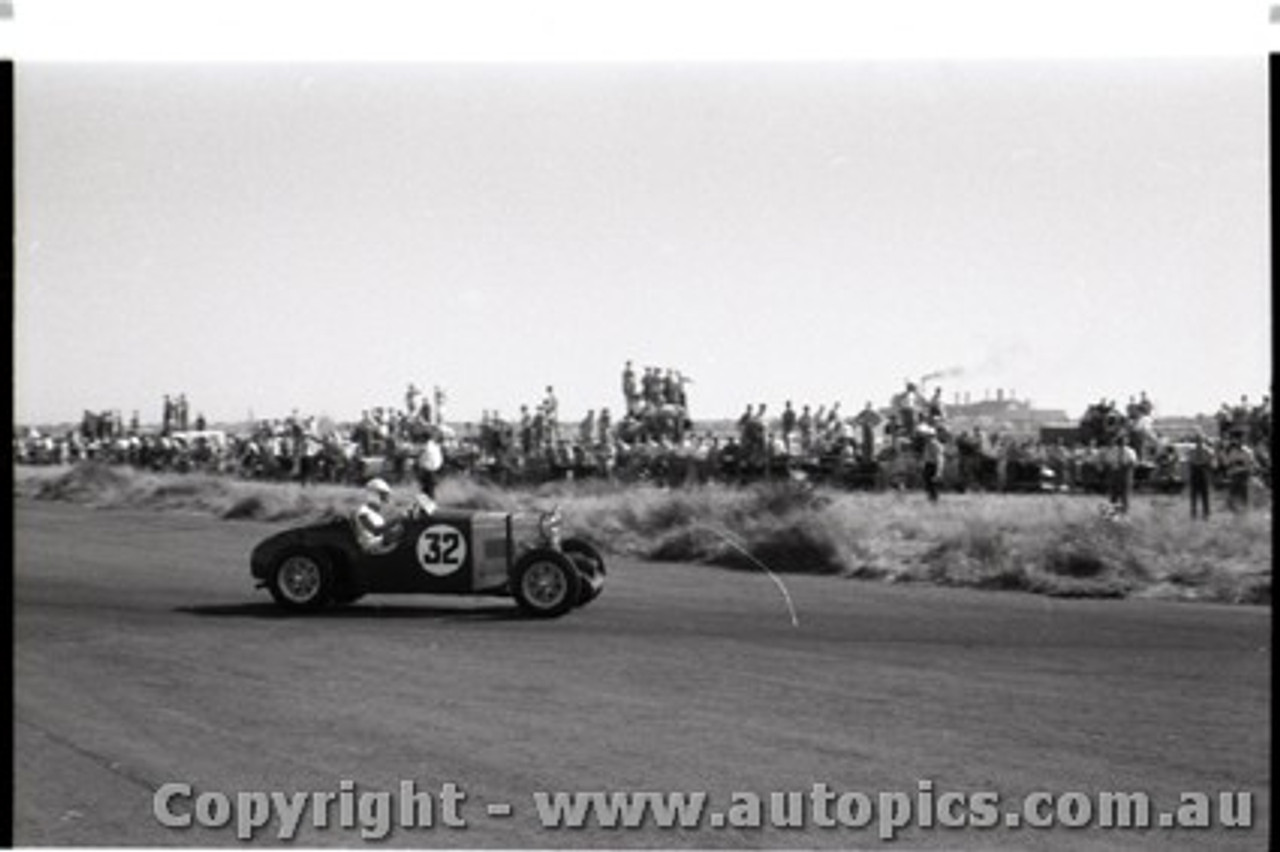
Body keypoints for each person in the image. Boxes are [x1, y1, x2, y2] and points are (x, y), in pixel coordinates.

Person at [354, 478, 399, 554]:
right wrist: (394, 522)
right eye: (382, 495)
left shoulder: (375, 512)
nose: (384, 499)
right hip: (371, 547)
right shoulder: (363, 510)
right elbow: (375, 531)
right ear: (373, 495)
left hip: (380, 543)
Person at [1187, 433, 1215, 520]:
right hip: (1196, 470)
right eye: (1197, 439)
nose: (1198, 441)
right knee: (1194, 494)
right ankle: (1194, 513)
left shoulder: (1207, 450)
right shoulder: (1192, 450)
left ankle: (1206, 513)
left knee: (1204, 494)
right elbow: (1190, 460)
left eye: (1200, 439)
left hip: (1203, 470)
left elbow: (1211, 460)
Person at [1108, 435, 1138, 515]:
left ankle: (1125, 511)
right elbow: (1110, 461)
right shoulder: (1113, 451)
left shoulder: (1130, 451)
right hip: (1116, 473)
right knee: (1114, 493)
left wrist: (1125, 465)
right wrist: (1115, 466)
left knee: (1125, 493)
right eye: (1120, 441)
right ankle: (1113, 511)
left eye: (1124, 441)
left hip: (1126, 473)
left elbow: (1133, 463)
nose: (1122, 443)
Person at [920, 426, 944, 502]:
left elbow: (939, 459)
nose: (925, 437)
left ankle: (934, 500)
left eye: (927, 435)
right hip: (928, 465)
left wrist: (938, 472)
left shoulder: (935, 445)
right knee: (928, 485)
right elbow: (926, 456)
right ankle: (930, 499)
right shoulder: (927, 444)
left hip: (933, 466)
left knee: (933, 485)